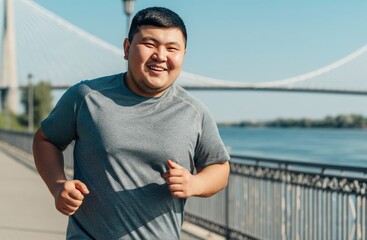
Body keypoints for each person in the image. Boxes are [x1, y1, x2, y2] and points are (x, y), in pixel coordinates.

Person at [33, 6, 230, 239]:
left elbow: (220, 168)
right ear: (127, 48)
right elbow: (46, 139)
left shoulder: (194, 112)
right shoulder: (86, 96)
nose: (160, 55)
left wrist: (194, 183)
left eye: (172, 48)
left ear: (183, 55)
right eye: (149, 44)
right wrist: (58, 186)